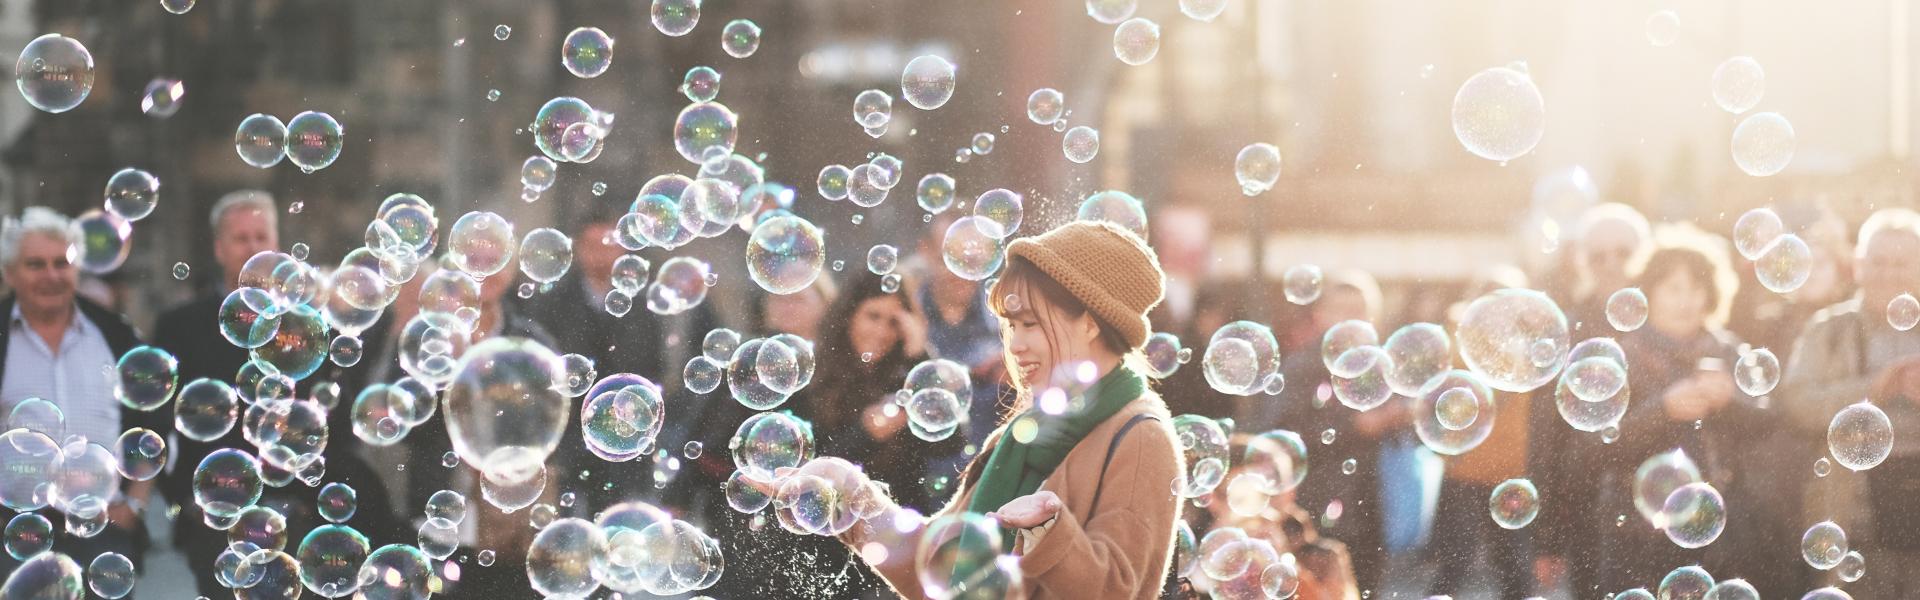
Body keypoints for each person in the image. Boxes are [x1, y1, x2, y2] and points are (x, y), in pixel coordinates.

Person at [764, 221, 1180, 598]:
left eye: (1030, 324)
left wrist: (1047, 531)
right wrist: (852, 495)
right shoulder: (1022, 433)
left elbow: (1114, 591)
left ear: (1089, 323)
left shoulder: (1140, 435)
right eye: (1011, 325)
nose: (1014, 345)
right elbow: (941, 567)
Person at [1587, 226, 1786, 592]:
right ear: (1650, 292)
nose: (1686, 301)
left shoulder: (1729, 351)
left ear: (1711, 294)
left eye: (1696, 289)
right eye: (1674, 288)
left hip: (1724, 535)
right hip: (1638, 537)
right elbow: (1593, 446)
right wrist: (1662, 410)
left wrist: (1730, 403)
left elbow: (1770, 422)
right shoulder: (1623, 358)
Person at [0, 207, 160, 577]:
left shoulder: (115, 333)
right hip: (14, 532)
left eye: (62, 262)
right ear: (10, 273)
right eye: (36, 264)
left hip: (104, 529)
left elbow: (150, 422)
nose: (51, 275)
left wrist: (134, 507)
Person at [1778, 208, 1920, 596]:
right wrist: (1871, 389)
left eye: (1902, 263)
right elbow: (1796, 405)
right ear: (1858, 266)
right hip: (1854, 517)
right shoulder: (1829, 328)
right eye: (1878, 262)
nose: (1889, 273)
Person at [1196, 436, 1360, 600]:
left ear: (1288, 493)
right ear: (1213, 501)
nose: (1256, 507)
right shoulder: (1193, 562)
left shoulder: (1323, 559)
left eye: (1267, 492)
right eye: (1240, 497)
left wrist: (1286, 564)